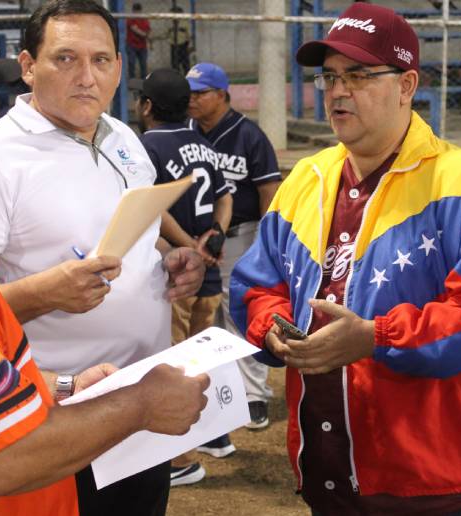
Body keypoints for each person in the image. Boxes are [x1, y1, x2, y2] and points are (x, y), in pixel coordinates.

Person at [0, 0, 209, 514]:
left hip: (85, 409)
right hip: (39, 448)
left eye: (100, 60)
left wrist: (70, 386)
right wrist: (136, 403)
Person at [229, 3, 461, 514]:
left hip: (428, 481)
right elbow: (257, 285)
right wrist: (271, 327)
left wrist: (376, 338)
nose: (339, 91)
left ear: (407, 84)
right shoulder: (307, 178)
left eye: (360, 75)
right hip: (326, 476)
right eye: (331, 77)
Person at [138, 68, 233, 486]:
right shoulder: (205, 143)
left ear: (146, 107)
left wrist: (186, 246)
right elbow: (226, 195)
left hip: (178, 273)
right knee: (200, 358)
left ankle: (183, 459)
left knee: (174, 362)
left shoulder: (147, 146)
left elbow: (151, 209)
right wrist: (216, 234)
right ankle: (216, 435)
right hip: (209, 273)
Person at [186, 61, 282, 435]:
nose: (193, 100)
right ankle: (216, 393)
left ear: (223, 95)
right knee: (202, 316)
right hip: (193, 239)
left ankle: (254, 394)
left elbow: (268, 190)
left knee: (240, 313)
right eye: (190, 93)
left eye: (201, 93)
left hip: (242, 235)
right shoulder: (187, 131)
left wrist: (266, 243)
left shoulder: (248, 135)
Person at [126, 3, 150, 79]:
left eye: (138, 12)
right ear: (133, 11)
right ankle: (132, 80)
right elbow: (135, 29)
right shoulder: (131, 19)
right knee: (131, 63)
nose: (137, 13)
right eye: (135, 12)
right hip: (131, 45)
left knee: (143, 65)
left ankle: (143, 81)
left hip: (142, 46)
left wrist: (145, 34)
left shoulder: (144, 19)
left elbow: (148, 30)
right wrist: (144, 34)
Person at [166, 5, 191, 74]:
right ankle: (177, 78)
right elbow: (166, 34)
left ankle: (187, 78)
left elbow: (188, 34)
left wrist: (188, 45)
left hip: (183, 44)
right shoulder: (170, 23)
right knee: (174, 64)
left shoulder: (184, 22)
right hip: (173, 45)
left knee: (185, 64)